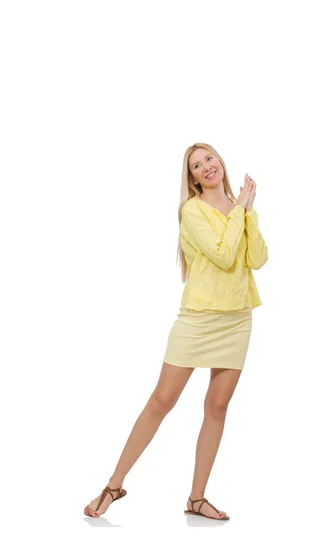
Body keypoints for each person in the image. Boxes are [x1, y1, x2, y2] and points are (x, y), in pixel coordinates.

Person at [84, 142, 268, 521]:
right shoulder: (191, 210)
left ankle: (196, 499)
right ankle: (114, 485)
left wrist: (247, 214)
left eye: (209, 158)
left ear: (221, 162)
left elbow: (257, 259)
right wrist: (239, 212)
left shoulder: (240, 210)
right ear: (192, 178)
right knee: (161, 401)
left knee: (217, 407)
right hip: (198, 319)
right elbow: (222, 254)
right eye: (197, 165)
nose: (206, 167)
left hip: (237, 319)